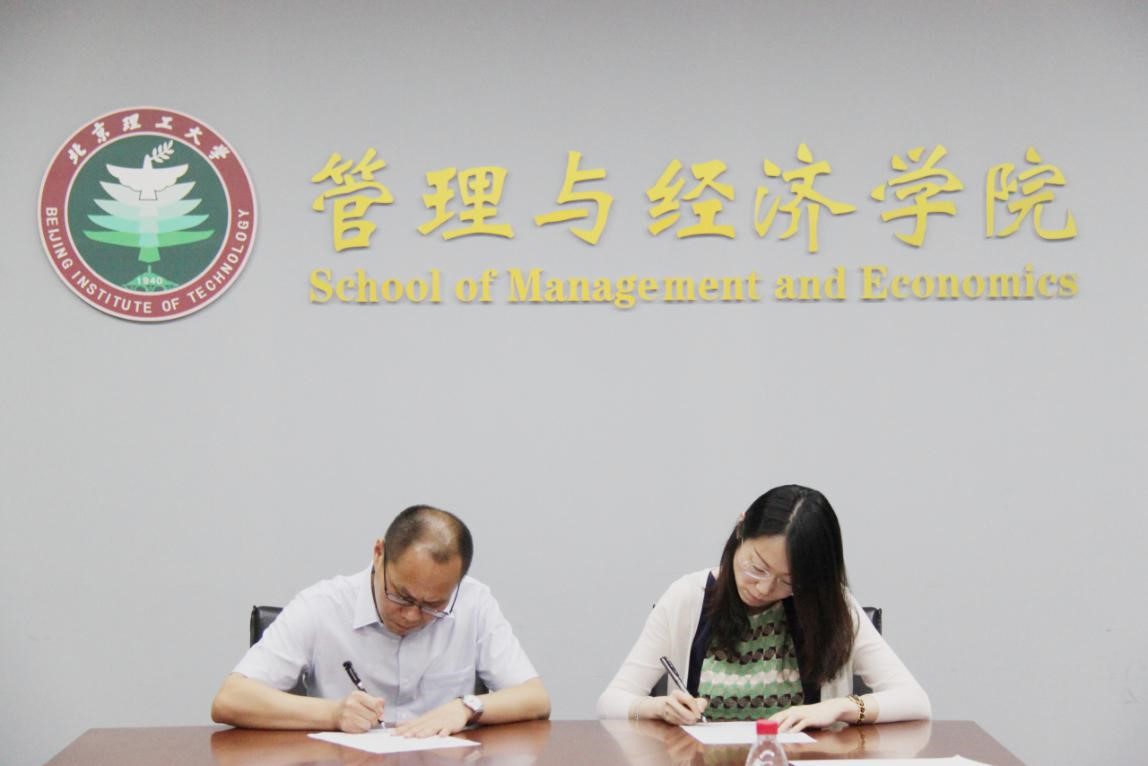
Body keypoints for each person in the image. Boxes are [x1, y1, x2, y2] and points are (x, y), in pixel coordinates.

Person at [597, 485, 930, 731]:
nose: (764, 588)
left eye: (789, 581)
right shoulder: (687, 597)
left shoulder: (830, 605)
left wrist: (839, 708)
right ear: (741, 529)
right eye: (756, 568)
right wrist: (656, 707)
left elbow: (915, 701)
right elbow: (611, 701)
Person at [212, 505, 550, 736]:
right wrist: (332, 714)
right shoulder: (321, 606)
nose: (413, 615)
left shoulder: (474, 603)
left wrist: (467, 707)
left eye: (433, 605)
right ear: (378, 554)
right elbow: (230, 699)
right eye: (401, 596)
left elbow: (535, 698)